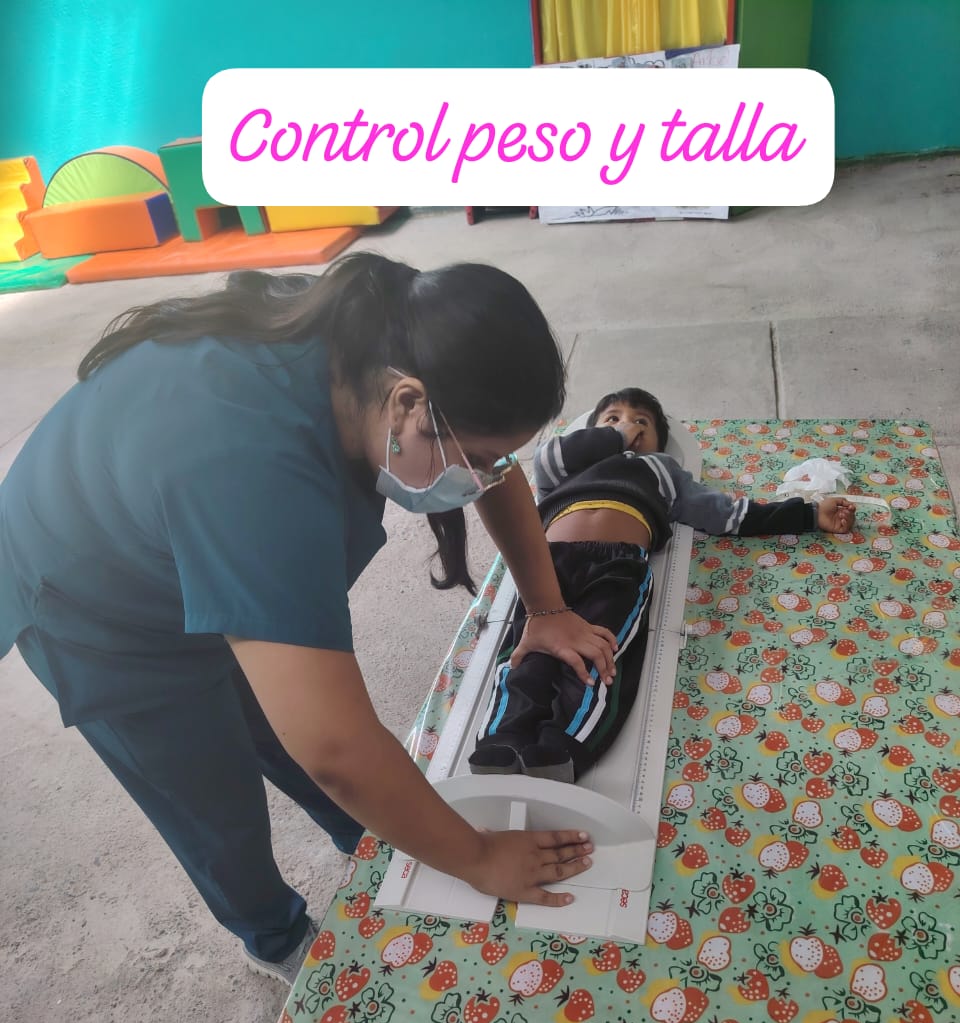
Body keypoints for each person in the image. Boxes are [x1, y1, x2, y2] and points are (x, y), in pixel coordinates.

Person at [0, 254, 621, 985]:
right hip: (98, 604)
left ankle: (372, 836)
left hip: (177, 510)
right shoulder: (251, 473)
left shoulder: (382, 329)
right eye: (477, 460)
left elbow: (496, 468)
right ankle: (273, 935)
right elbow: (335, 746)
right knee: (211, 796)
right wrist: (479, 857)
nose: (482, 478)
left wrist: (547, 608)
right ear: (407, 404)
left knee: (284, 721)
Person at [469, 386, 856, 784]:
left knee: (598, 654)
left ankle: (562, 746)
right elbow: (547, 457)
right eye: (613, 418)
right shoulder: (563, 465)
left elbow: (728, 515)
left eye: (642, 422)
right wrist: (614, 437)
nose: (628, 425)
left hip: (618, 566)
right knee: (528, 652)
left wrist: (809, 514)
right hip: (544, 568)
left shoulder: (662, 470)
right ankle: (502, 738)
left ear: (659, 442)